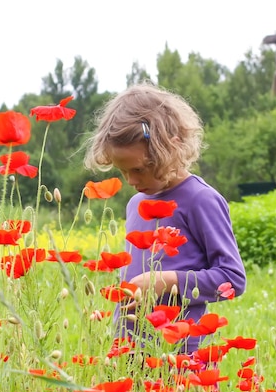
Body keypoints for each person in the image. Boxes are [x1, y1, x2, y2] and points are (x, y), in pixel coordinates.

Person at [84, 82, 246, 355]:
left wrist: (164, 281)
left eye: (139, 169)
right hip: (131, 351)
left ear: (172, 147)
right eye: (123, 171)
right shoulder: (136, 203)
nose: (132, 181)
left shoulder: (200, 200)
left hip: (181, 355)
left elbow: (232, 279)